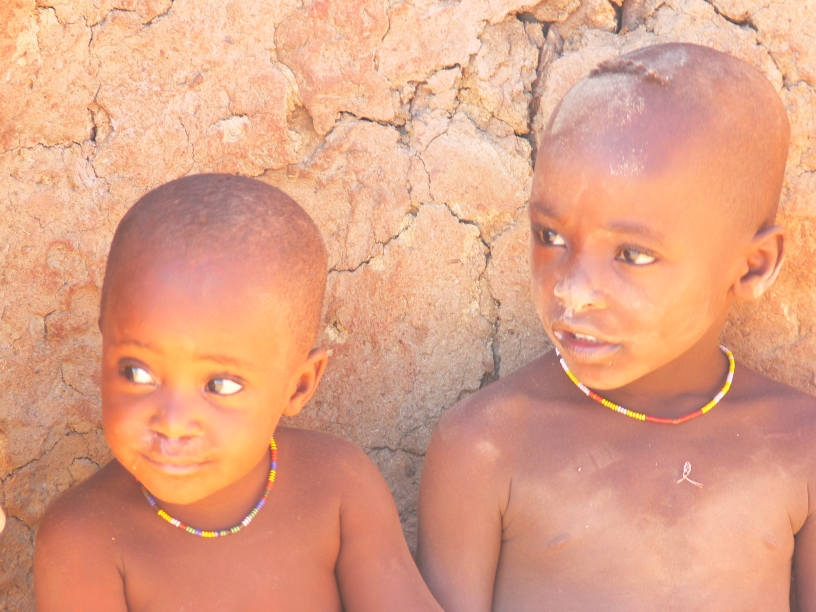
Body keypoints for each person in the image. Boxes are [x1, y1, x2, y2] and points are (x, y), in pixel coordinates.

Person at [416, 43, 816, 611]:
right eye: (550, 236)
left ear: (753, 265)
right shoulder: (487, 446)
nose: (572, 290)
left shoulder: (800, 446)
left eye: (632, 254)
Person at [34, 174, 442, 612]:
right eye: (137, 372)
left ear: (300, 384)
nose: (173, 421)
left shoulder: (338, 487)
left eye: (220, 385)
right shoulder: (84, 539)